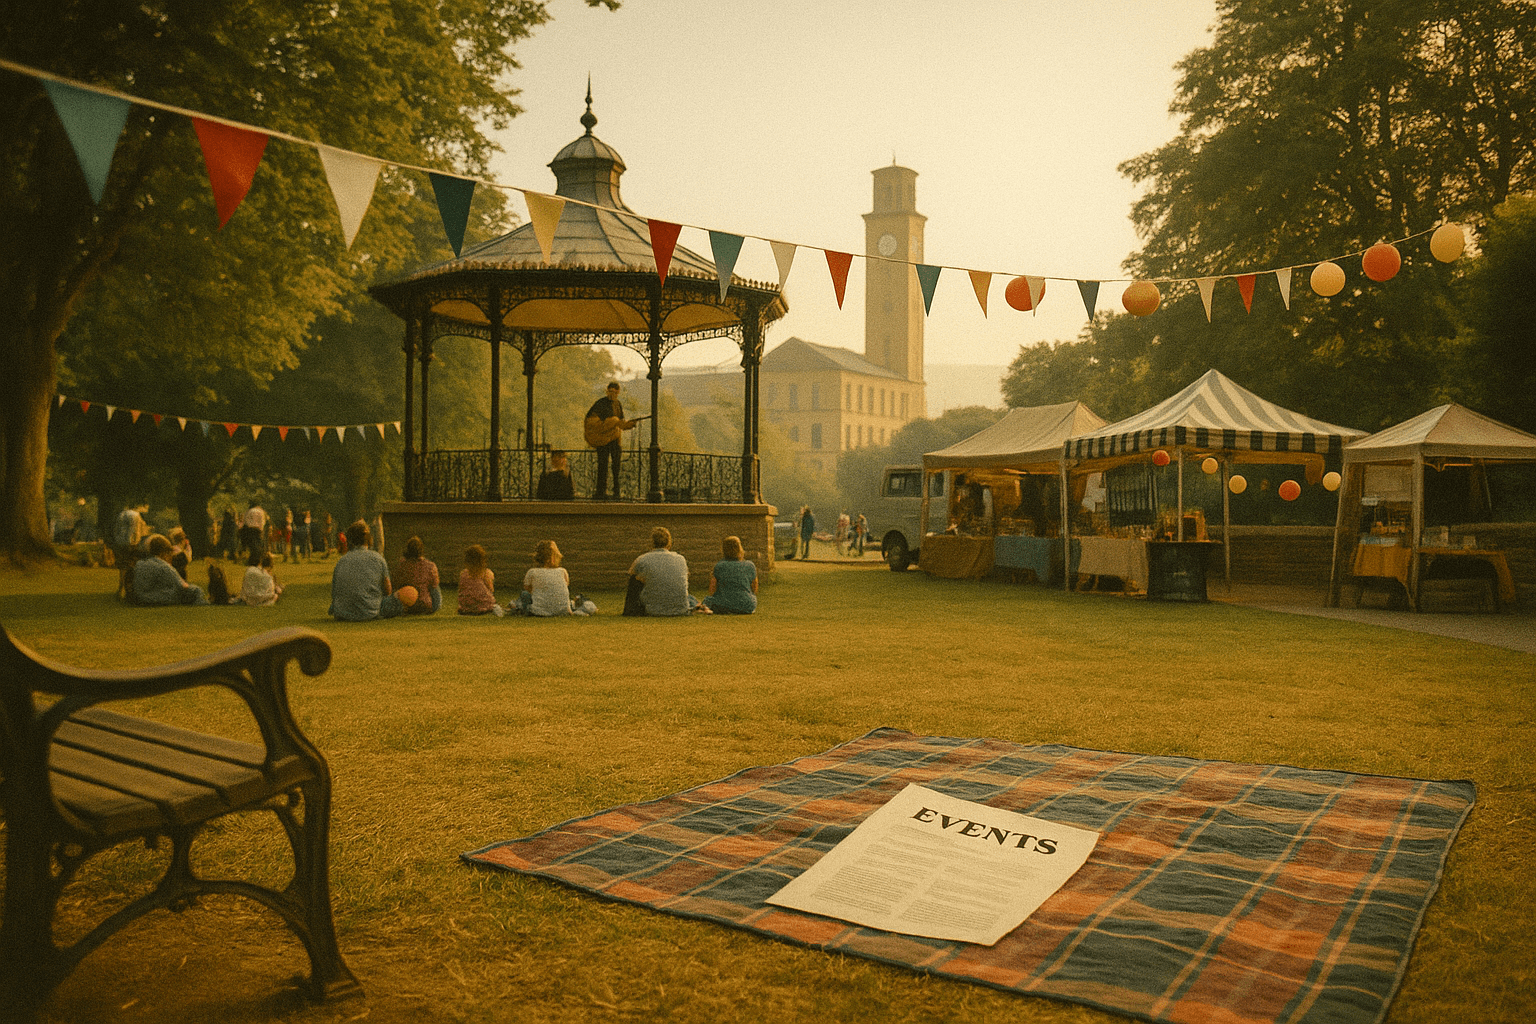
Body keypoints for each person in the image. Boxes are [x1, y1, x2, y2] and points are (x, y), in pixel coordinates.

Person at [329, 520, 417, 621]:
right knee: (408, 592)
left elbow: (335, 591)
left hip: (342, 612)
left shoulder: (342, 561)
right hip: (370, 611)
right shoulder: (378, 558)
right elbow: (388, 591)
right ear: (369, 538)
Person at [623, 526, 706, 616]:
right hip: (681, 609)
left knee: (635, 579)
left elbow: (631, 574)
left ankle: (630, 610)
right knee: (688, 596)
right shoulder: (681, 559)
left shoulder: (643, 559)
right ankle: (698, 605)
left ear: (652, 543)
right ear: (669, 543)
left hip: (653, 610)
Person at [585, 382, 638, 500]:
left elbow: (621, 422)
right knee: (602, 466)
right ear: (607, 391)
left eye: (614, 392)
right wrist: (611, 422)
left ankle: (616, 492)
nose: (612, 394)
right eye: (610, 392)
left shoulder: (618, 404)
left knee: (616, 466)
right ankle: (600, 492)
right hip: (603, 440)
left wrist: (629, 425)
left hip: (615, 440)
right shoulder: (600, 403)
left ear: (618, 393)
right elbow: (592, 422)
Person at [131, 535, 209, 606]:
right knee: (196, 590)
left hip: (139, 597)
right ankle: (203, 603)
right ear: (163, 553)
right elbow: (182, 585)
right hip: (154, 599)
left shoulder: (140, 564)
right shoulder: (163, 566)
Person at [513, 540, 575, 616]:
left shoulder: (532, 572)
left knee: (524, 594)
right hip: (563, 611)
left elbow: (528, 589)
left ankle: (515, 607)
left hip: (538, 611)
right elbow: (565, 585)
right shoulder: (562, 572)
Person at [703, 535, 758, 615]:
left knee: (707, 600)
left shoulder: (719, 566)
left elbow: (712, 589)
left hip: (724, 604)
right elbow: (754, 587)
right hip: (746, 604)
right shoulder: (750, 565)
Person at [395, 535, 442, 614]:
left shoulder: (402, 565)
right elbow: (434, 584)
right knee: (435, 586)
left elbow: (396, 582)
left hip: (406, 605)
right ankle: (434, 605)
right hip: (425, 605)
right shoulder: (430, 565)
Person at [113, 503, 150, 599]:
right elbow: (134, 530)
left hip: (120, 542)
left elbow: (116, 530)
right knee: (131, 566)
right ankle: (128, 590)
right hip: (131, 544)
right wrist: (132, 542)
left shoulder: (121, 514)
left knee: (122, 567)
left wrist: (118, 541)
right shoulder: (135, 515)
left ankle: (121, 588)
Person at [457, 544, 501, 616]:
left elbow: (461, 589)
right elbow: (490, 589)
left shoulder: (463, 574)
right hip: (484, 607)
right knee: (497, 608)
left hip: (465, 608)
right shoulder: (486, 573)